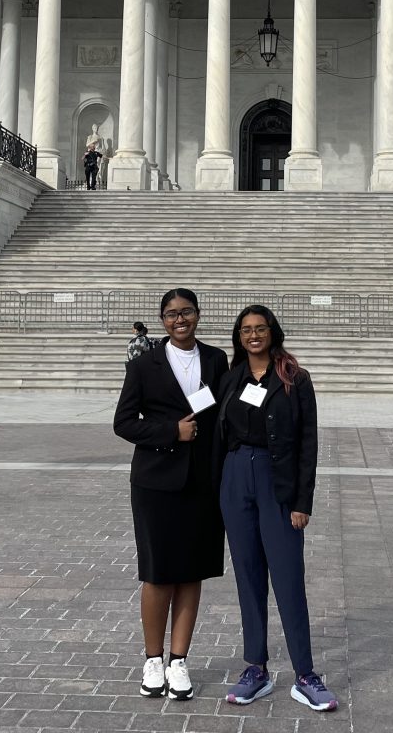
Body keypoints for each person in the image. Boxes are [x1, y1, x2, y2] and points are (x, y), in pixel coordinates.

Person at [215, 303, 338, 713]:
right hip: (236, 480)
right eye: (246, 329)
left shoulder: (294, 379)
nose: (253, 335)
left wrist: (303, 501)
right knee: (248, 578)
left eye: (260, 328)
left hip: (277, 484)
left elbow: (308, 443)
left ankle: (305, 674)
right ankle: (257, 669)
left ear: (273, 332)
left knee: (288, 580)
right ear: (238, 336)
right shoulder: (230, 378)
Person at [113, 288, 229, 701]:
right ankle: (153, 659)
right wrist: (170, 433)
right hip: (156, 481)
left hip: (201, 481)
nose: (179, 320)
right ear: (161, 320)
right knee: (158, 571)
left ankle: (180, 660)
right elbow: (123, 422)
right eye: (171, 314)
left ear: (198, 315)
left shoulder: (215, 359)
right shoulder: (144, 364)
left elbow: (219, 417)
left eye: (187, 312)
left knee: (192, 570)